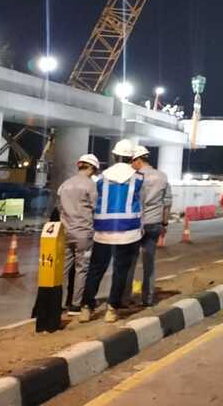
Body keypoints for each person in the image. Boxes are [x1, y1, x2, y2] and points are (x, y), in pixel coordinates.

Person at [81, 139, 143, 324]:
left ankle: (86, 308)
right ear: (132, 157)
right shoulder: (138, 178)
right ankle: (112, 309)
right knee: (120, 272)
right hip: (128, 231)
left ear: (115, 156)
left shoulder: (100, 178)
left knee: (95, 270)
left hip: (103, 230)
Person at [122, 145, 172, 308]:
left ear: (138, 160)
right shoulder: (162, 176)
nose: (131, 165)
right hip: (154, 223)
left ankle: (124, 297)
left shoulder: (134, 177)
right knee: (149, 262)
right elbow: (167, 202)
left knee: (129, 261)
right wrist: (165, 223)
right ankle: (148, 298)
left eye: (132, 161)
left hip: (135, 224)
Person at [57, 154, 99, 316]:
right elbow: (96, 208)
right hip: (83, 233)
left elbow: (59, 208)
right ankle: (75, 304)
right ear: (91, 168)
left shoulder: (65, 184)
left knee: (63, 269)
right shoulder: (90, 185)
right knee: (82, 268)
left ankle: (58, 303)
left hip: (65, 231)